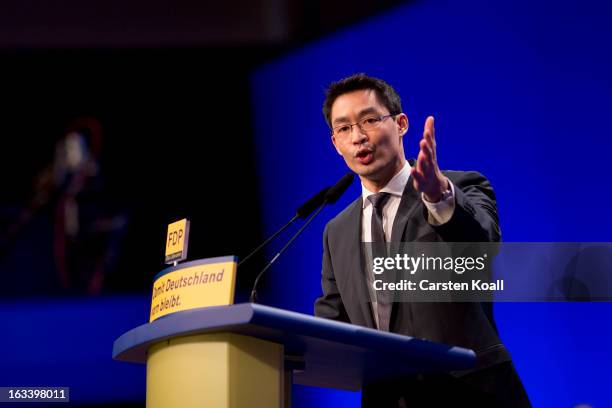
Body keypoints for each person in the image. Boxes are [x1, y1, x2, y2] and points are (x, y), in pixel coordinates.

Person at [314, 74, 530, 407]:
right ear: (335, 143)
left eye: (369, 120)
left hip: (472, 393)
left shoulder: (462, 187)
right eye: (344, 128)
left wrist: (437, 194)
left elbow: (481, 244)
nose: (358, 137)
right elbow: (332, 322)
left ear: (400, 124)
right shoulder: (337, 231)